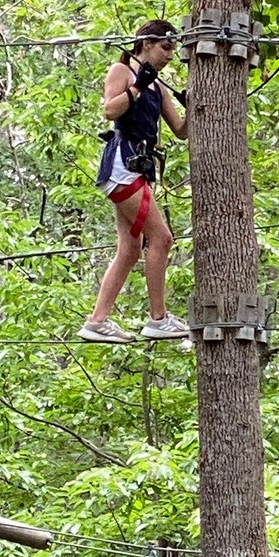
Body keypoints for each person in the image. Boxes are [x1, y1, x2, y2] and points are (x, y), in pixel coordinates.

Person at [78, 19, 189, 343]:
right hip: (122, 164)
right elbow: (110, 111)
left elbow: (180, 131)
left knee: (129, 249)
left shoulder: (159, 87)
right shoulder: (123, 71)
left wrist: (194, 106)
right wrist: (137, 86)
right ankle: (158, 318)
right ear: (146, 43)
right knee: (162, 238)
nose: (169, 55)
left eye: (172, 49)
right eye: (165, 47)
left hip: (139, 167)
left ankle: (97, 321)